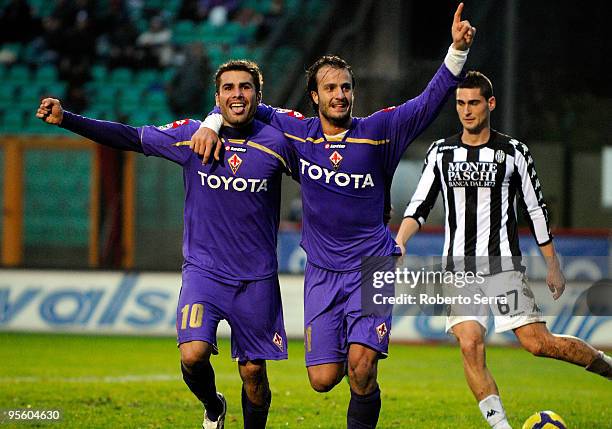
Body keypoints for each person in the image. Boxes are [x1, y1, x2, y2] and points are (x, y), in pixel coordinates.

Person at [190, 4, 476, 427]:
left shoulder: (380, 131)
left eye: (345, 87)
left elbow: (429, 101)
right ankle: (354, 368)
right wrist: (212, 121)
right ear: (315, 97)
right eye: (330, 88)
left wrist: (455, 51)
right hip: (322, 272)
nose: (339, 95)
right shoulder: (297, 133)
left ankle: (365, 383)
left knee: (362, 367)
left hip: (371, 267)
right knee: (323, 379)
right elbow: (243, 105)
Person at [36, 60, 298, 429]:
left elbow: (319, 179)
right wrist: (68, 119)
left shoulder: (277, 143)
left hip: (256, 278)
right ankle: (213, 407)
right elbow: (130, 136)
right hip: (204, 271)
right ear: (217, 97)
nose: (237, 94)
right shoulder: (192, 136)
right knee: (192, 355)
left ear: (258, 94)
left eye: (245, 87)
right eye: (228, 88)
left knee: (253, 371)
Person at [395, 71, 612, 429]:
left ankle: (605, 365)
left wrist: (552, 264)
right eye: (461, 103)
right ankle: (502, 427)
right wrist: (401, 240)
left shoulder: (514, 152)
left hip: (502, 269)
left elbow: (536, 210)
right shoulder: (441, 152)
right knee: (469, 343)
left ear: (490, 104)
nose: (466, 111)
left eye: (474, 103)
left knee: (538, 343)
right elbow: (419, 205)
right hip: (459, 270)